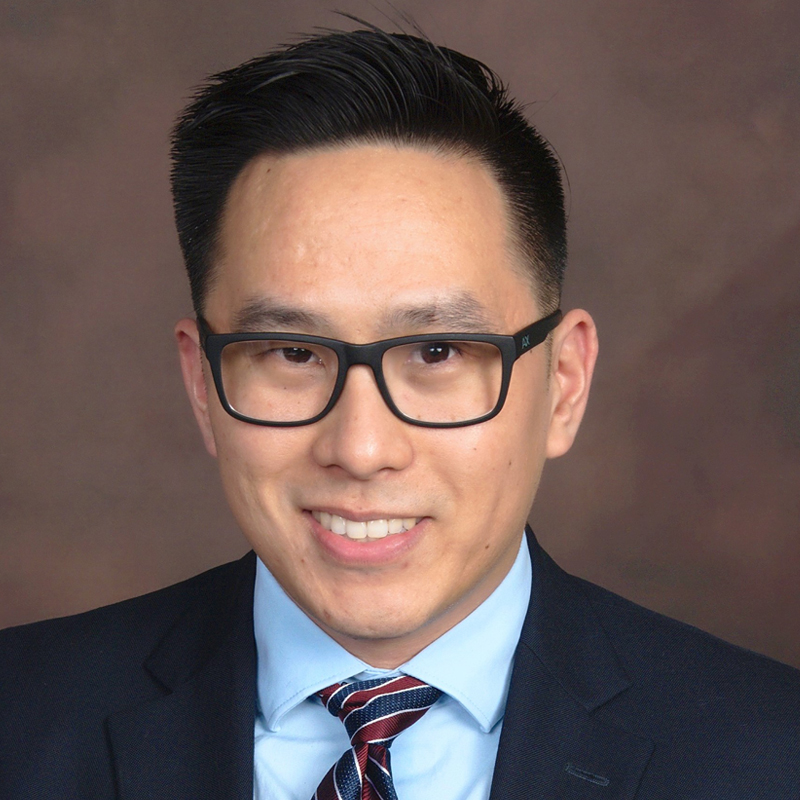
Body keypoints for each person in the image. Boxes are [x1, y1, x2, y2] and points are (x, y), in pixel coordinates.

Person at [1, 25, 799, 800]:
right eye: (293, 353)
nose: (361, 448)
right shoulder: (22, 720)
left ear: (563, 382)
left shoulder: (771, 755)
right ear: (202, 384)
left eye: (437, 352)